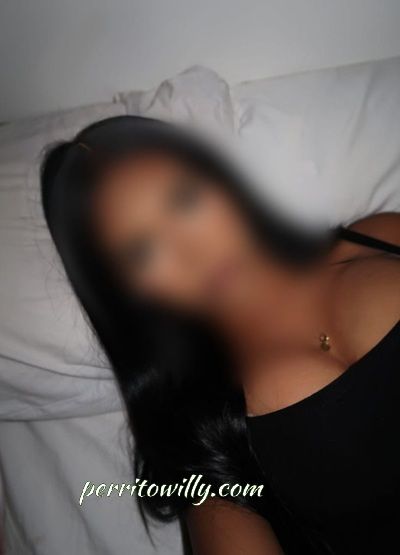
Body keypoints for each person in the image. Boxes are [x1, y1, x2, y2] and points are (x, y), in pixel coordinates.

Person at [40, 115, 400, 554]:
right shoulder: (201, 434)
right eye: (142, 250)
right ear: (124, 291)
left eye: (184, 197)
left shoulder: (382, 235)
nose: (194, 251)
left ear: (219, 178)